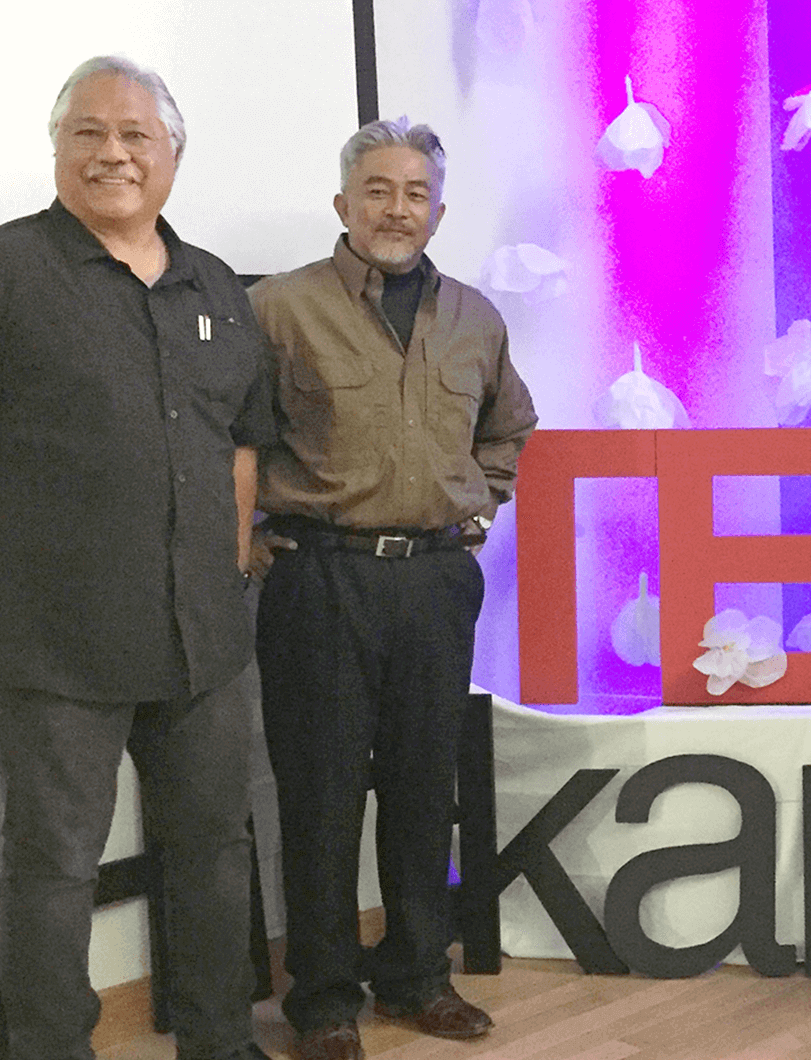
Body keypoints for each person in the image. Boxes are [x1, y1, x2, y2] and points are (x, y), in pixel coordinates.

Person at [0, 57, 274, 1060]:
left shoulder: (217, 287)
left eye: (134, 135)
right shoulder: (12, 271)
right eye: (88, 132)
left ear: (172, 154)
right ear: (58, 146)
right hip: (53, 645)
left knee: (213, 853)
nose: (111, 152)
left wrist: (232, 564)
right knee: (51, 868)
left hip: (202, 637)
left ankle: (217, 1040)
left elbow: (241, 443)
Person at [249, 117, 536, 1060]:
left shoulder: (476, 318)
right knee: (322, 797)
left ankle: (418, 977)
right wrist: (245, 530)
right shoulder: (280, 310)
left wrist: (475, 499)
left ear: (438, 210)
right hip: (320, 579)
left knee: (424, 791)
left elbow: (509, 430)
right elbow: (234, 438)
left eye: (415, 193)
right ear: (343, 203)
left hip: (437, 582)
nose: (396, 208)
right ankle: (325, 1002)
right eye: (377, 189)